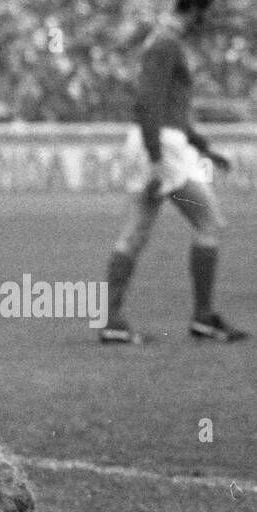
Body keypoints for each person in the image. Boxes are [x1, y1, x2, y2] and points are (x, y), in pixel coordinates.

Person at [99, 0, 247, 345]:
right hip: (162, 146)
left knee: (135, 232)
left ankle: (113, 322)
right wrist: (156, 157)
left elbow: (164, 103)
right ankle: (203, 318)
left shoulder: (161, 41)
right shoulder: (167, 43)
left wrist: (202, 146)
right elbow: (148, 100)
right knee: (208, 222)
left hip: (156, 142)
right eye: (204, 15)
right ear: (194, 12)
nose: (205, 23)